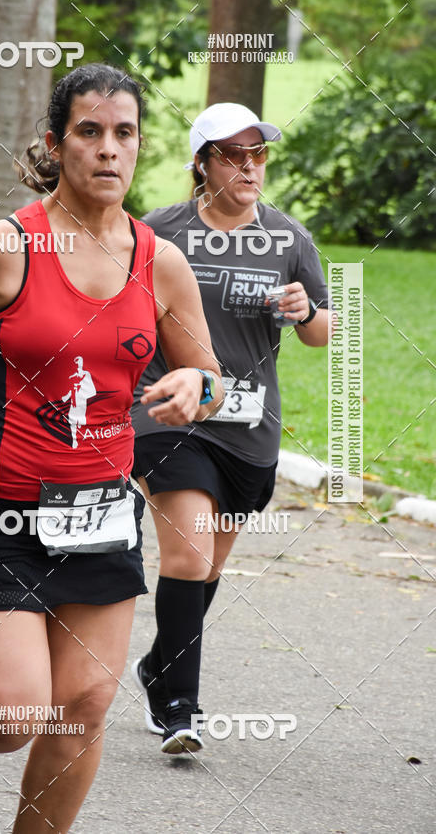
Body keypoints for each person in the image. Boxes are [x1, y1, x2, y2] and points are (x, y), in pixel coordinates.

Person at [0, 63, 223, 833]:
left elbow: (209, 374)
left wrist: (194, 391)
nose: (109, 149)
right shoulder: (3, 247)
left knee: (82, 706)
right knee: (13, 712)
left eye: (125, 133)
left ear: (141, 145)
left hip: (100, 509)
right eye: (89, 132)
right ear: (56, 142)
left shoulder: (159, 262)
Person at [130, 101, 333, 754]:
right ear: (202, 161)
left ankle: (159, 663)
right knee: (187, 554)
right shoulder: (160, 231)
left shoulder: (288, 239)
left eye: (259, 153)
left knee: (207, 567)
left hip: (250, 428)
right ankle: (179, 706)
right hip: (171, 415)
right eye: (233, 153)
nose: (250, 166)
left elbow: (322, 333)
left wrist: (305, 311)